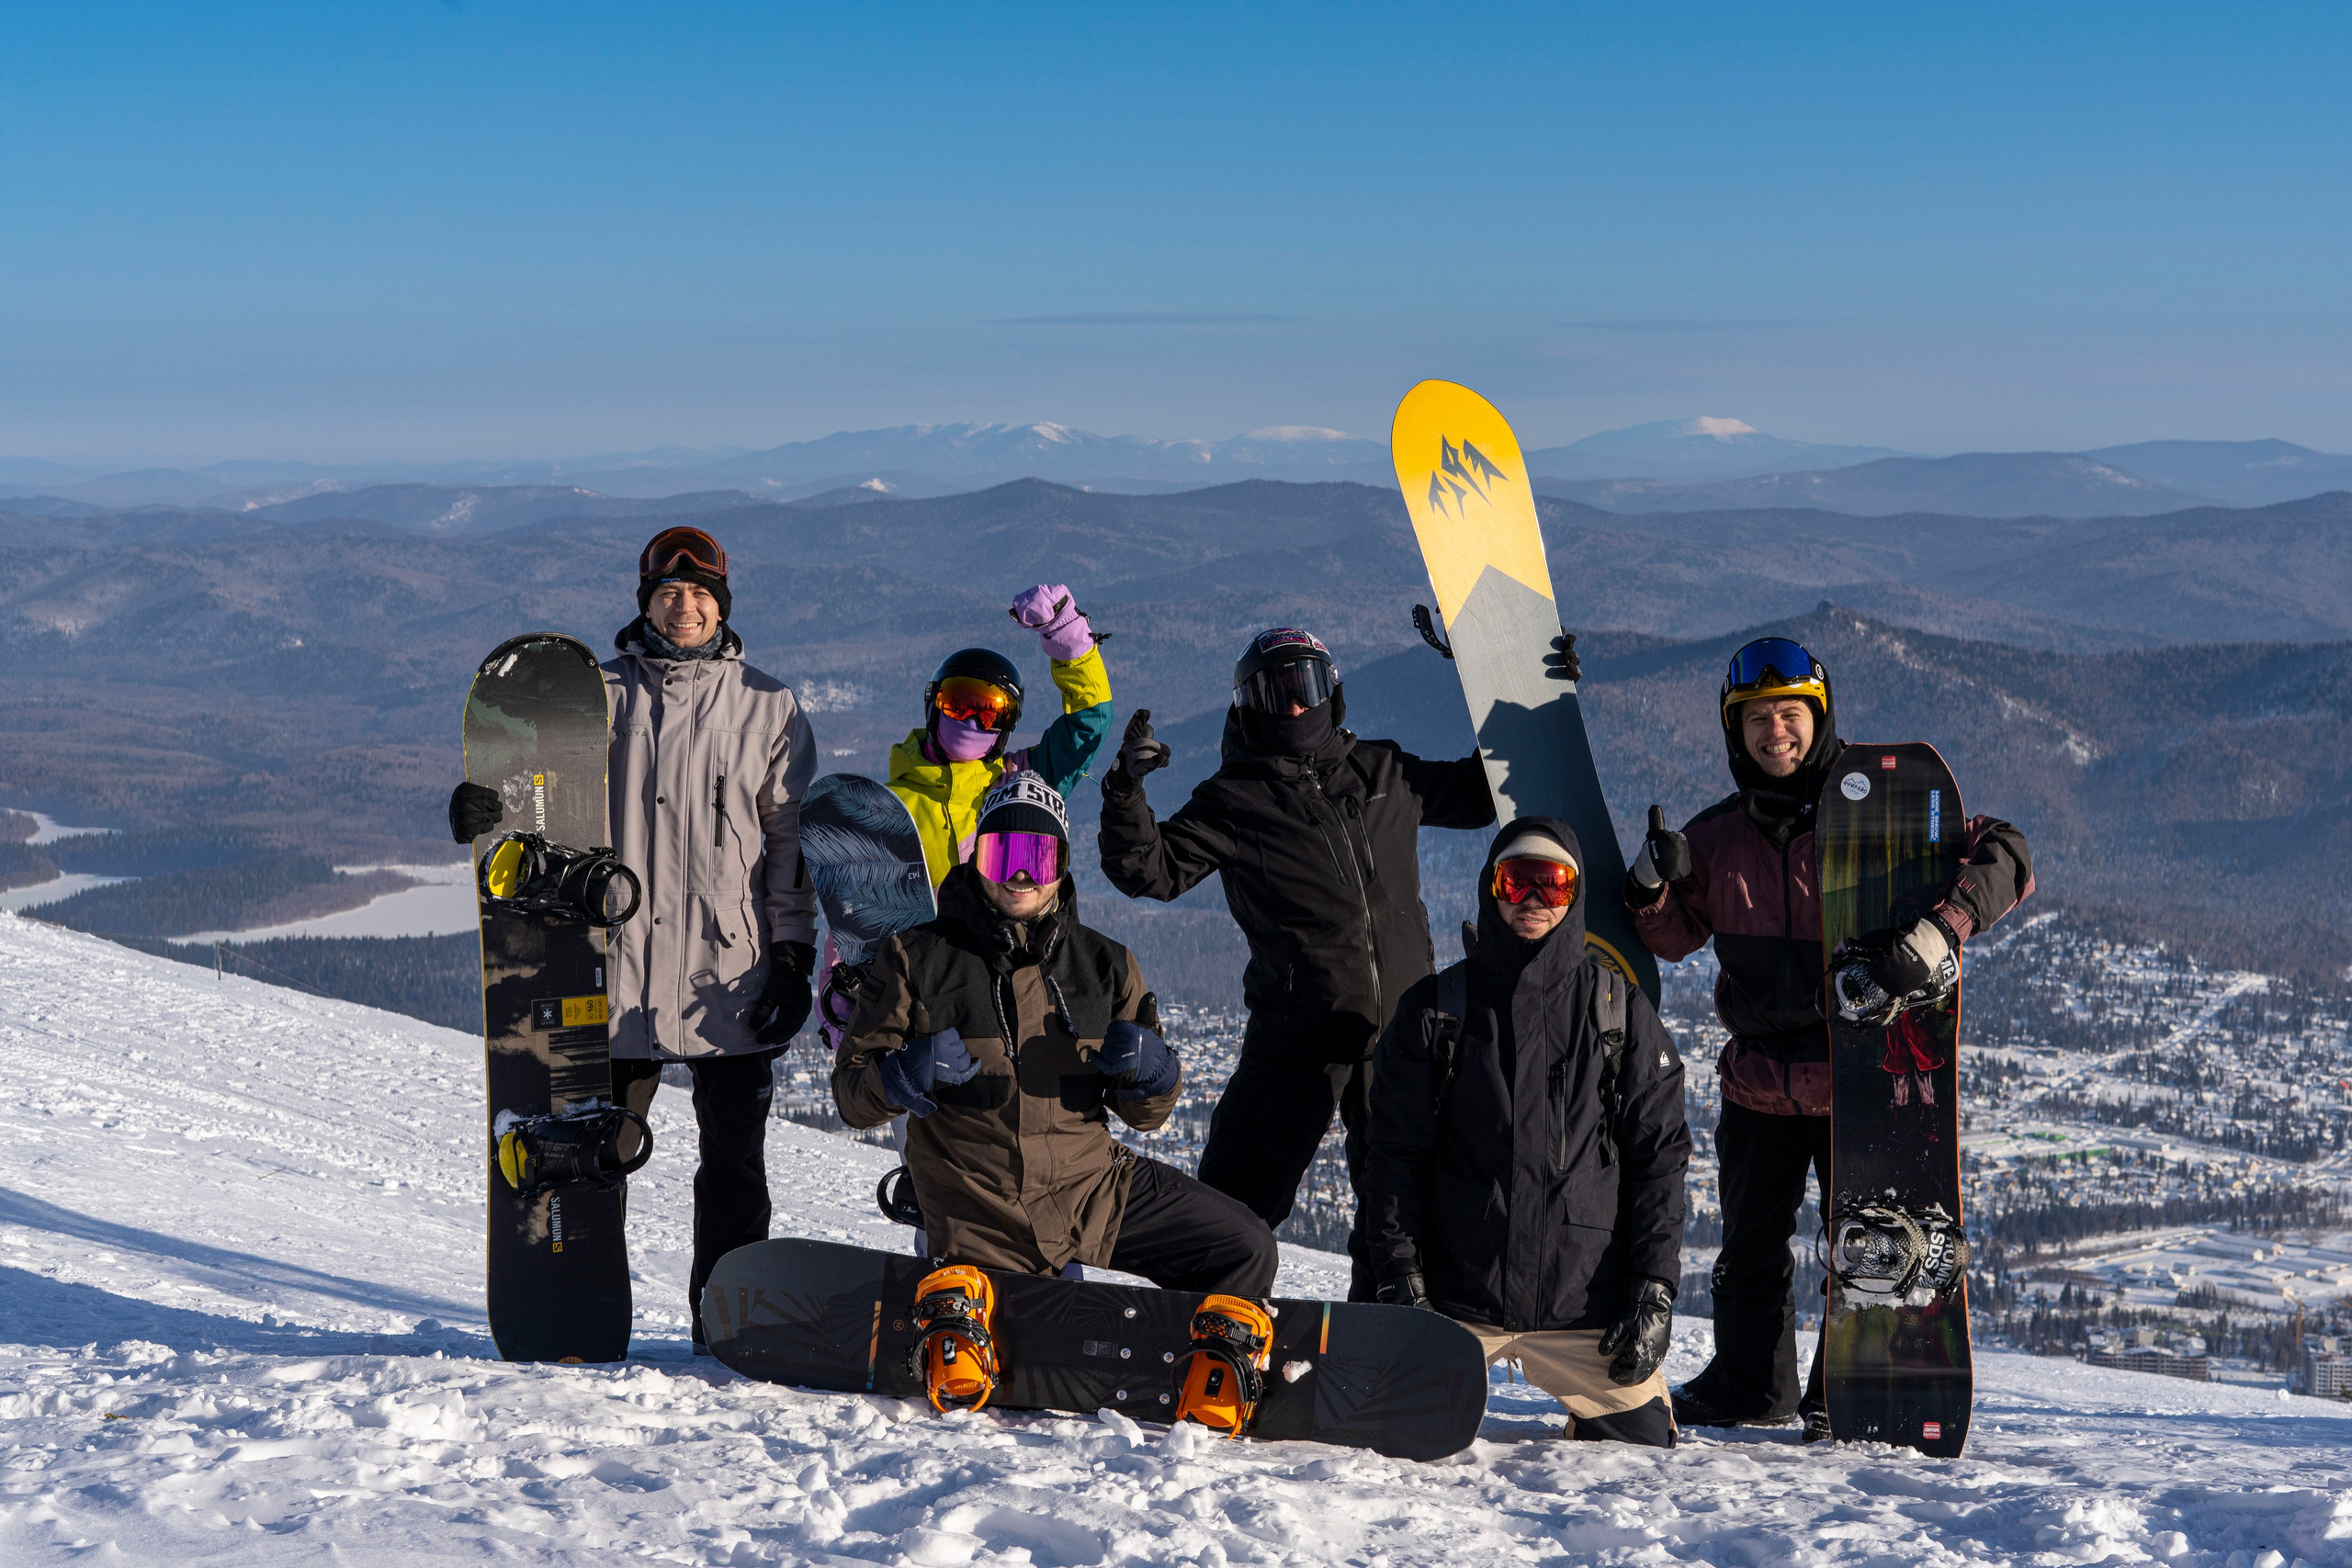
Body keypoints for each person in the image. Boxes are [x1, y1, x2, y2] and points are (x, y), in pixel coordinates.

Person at [1627, 635, 2032, 1438]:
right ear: (1734, 732)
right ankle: (1752, 1385)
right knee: (1749, 1248)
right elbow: (1673, 937)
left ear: (1821, 718)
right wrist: (1648, 884)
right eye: (1756, 719)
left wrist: (1942, 928)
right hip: (1758, 1083)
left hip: (1859, 1080)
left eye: (1790, 714)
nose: (1774, 732)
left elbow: (2007, 852)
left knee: (1864, 1245)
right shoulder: (1718, 837)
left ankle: (1839, 1389)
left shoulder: (1883, 812)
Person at [448, 525, 820, 1350]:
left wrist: (795, 955)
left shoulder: (769, 706)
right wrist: (483, 811)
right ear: (645, 603)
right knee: (597, 1157)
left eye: (700, 593)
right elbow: (534, 803)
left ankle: (726, 1324)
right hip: (614, 975)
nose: (684, 607)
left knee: (736, 1170)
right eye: (668, 592)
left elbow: (789, 847)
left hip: (730, 976)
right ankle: (577, 1307)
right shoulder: (597, 699)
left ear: (723, 605)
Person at [1100, 626, 1555, 1298]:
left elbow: (1478, 794)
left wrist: (1522, 692)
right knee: (1237, 1197)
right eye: (1274, 690)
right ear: (1247, 705)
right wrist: (1124, 795)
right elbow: (1150, 870)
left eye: (1305, 684)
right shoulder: (1236, 798)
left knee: (1401, 1205)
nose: (1293, 704)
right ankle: (1204, 1317)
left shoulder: (1383, 771)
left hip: (1403, 1030)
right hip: (1297, 1033)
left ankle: (1384, 1324)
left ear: (1331, 692)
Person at [833, 773, 1278, 1292]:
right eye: (1003, 856)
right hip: (978, 1206)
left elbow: (1147, 1116)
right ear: (978, 859)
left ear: (1062, 865)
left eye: (1039, 858)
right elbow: (851, 1096)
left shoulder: (1105, 964)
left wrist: (1156, 1076)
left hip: (1094, 1191)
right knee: (1011, 1324)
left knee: (1243, 1246)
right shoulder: (916, 958)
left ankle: (1213, 1340)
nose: (1021, 875)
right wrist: (898, 1077)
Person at [1364, 818, 1690, 1447]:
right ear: (1493, 889)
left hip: (1583, 1311)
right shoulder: (1437, 1009)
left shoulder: (1617, 1010)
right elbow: (1394, 1158)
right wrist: (1400, 1275)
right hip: (1456, 1304)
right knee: (1394, 1437)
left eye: (1553, 883)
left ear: (1575, 894)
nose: (1534, 900)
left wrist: (1652, 1289)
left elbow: (1659, 1160)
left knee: (1640, 1445)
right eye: (1517, 882)